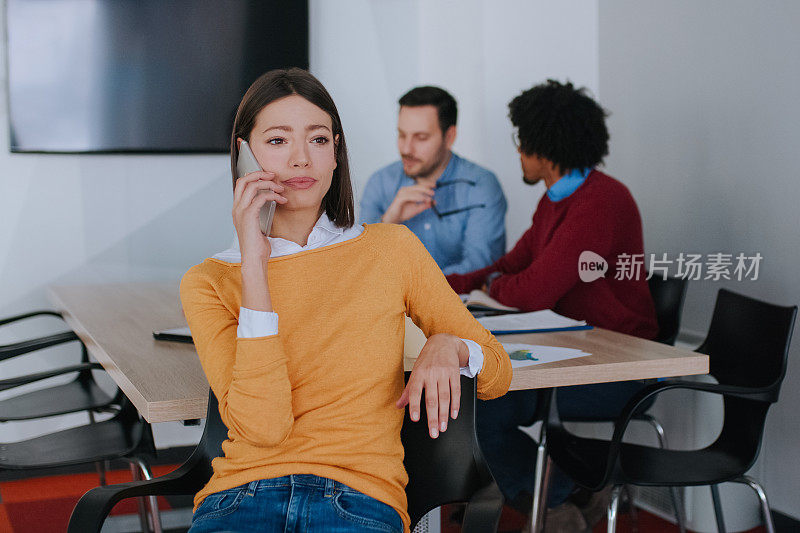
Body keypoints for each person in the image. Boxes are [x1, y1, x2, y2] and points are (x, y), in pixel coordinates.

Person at [180, 68, 512, 533]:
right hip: (241, 498)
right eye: (277, 141)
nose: (301, 159)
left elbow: (498, 370)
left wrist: (450, 344)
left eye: (317, 140)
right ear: (244, 155)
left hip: (358, 501)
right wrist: (255, 264)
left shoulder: (391, 249)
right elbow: (264, 429)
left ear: (336, 152)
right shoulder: (210, 281)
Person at [447, 80, 658, 531]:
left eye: (521, 140)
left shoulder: (600, 201)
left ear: (543, 147)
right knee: (481, 405)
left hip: (621, 369)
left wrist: (494, 287)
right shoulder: (554, 201)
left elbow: (532, 291)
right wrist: (442, 285)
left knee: (484, 407)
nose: (518, 151)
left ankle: (558, 509)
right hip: (578, 351)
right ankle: (574, 496)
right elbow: (511, 265)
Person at [359, 86, 507, 275]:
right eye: (402, 135)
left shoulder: (480, 186)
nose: (406, 149)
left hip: (459, 303)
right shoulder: (380, 182)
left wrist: (415, 290)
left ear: (449, 136)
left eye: (421, 138)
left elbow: (480, 267)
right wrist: (388, 222)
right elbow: (360, 269)